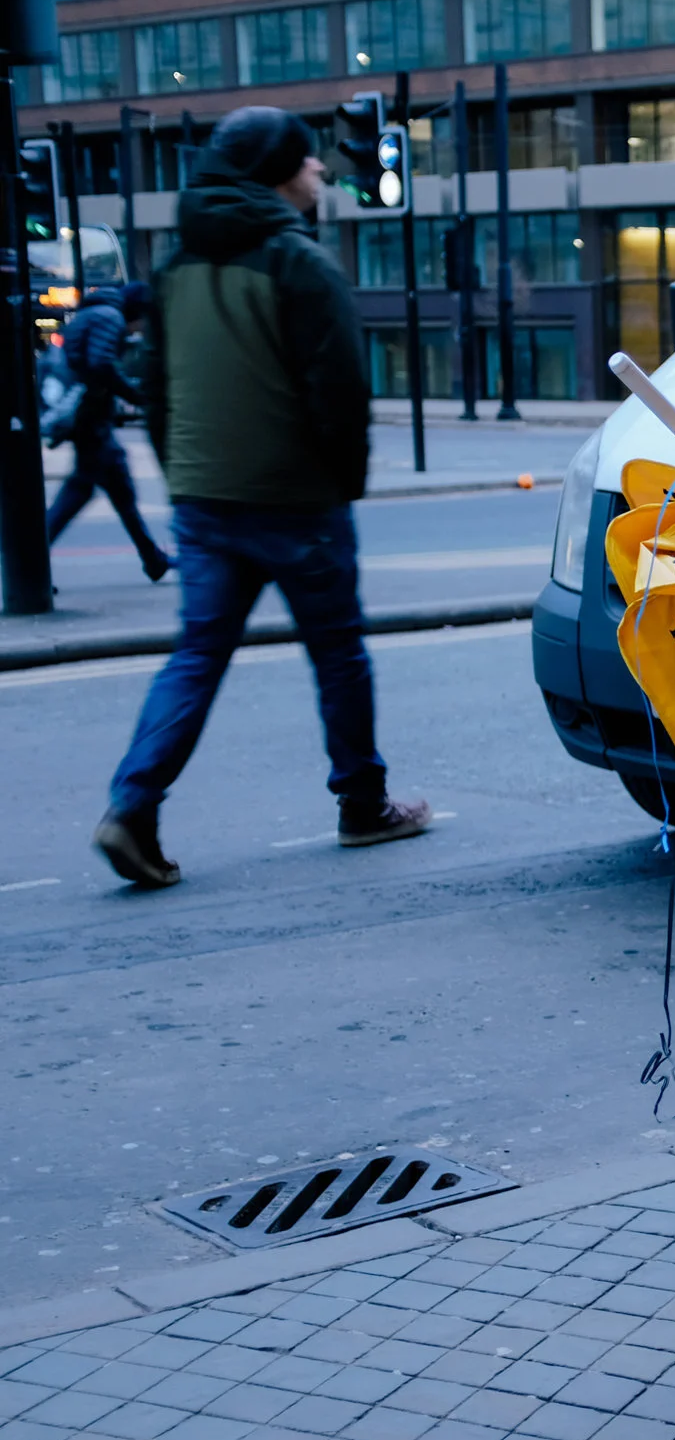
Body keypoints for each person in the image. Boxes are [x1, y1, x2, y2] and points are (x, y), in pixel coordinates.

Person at [94, 107, 429, 891]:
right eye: (309, 164)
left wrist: (183, 477)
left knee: (197, 654)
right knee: (338, 652)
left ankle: (132, 808)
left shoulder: (175, 267)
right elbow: (340, 390)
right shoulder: (298, 263)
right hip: (297, 500)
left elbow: (154, 387)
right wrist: (343, 480)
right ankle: (362, 806)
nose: (320, 174)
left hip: (205, 497)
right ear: (278, 174)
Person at [45, 281, 171, 581]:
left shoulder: (97, 313)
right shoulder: (109, 317)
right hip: (91, 418)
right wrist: (134, 395)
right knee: (83, 490)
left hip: (90, 417)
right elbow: (101, 363)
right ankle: (31, 562)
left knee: (118, 491)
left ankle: (152, 558)